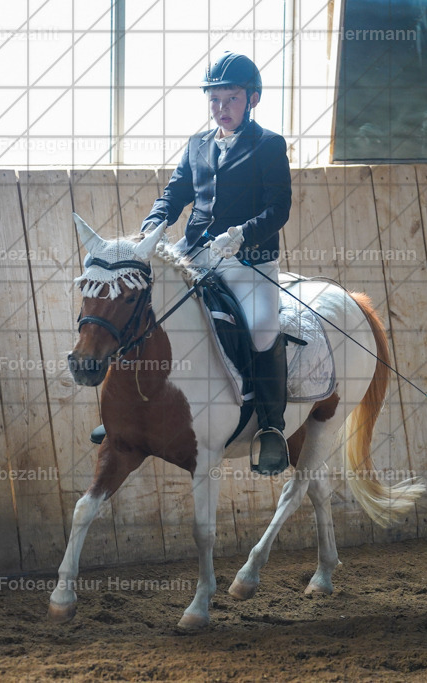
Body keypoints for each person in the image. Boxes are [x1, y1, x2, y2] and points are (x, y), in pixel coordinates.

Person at [141, 51, 293, 475]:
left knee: (263, 328)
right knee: (143, 306)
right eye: (215, 100)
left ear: (253, 99)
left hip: (249, 261)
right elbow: (174, 194)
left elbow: (279, 208)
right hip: (196, 256)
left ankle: (271, 430)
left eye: (231, 99)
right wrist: (155, 221)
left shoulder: (269, 145)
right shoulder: (197, 145)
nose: (221, 109)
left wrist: (242, 234)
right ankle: (128, 411)